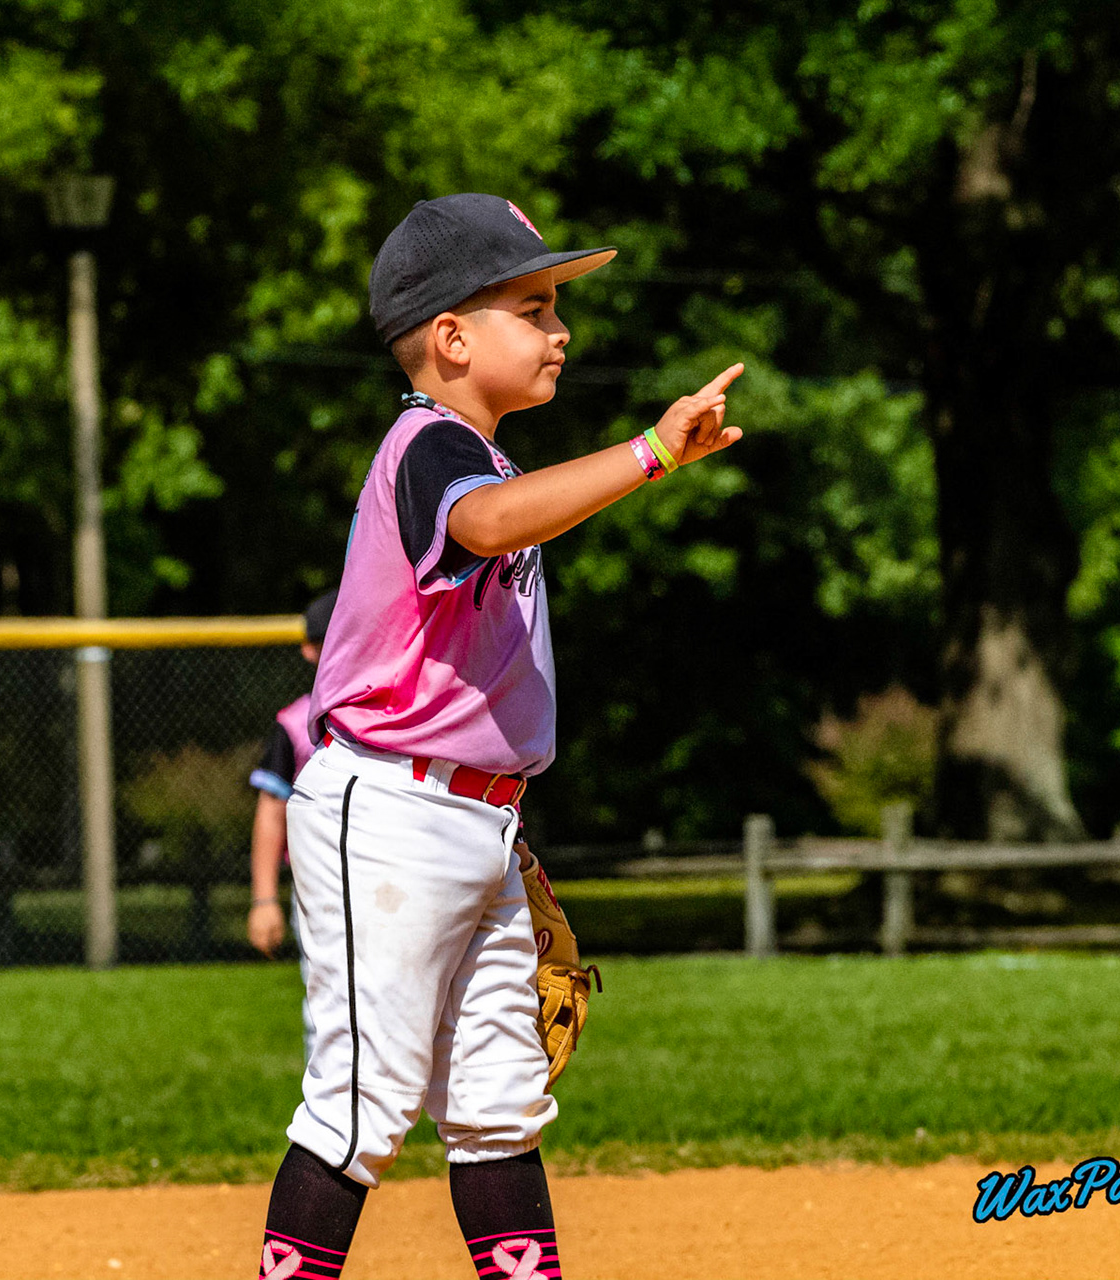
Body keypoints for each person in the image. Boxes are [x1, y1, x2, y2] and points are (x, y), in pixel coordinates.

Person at [256, 192, 743, 1279]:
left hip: (472, 817)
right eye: (533, 304)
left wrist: (497, 830)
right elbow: (480, 527)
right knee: (360, 1106)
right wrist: (652, 453)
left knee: (495, 1104)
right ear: (451, 337)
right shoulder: (429, 447)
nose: (560, 329)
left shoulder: (485, 459)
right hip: (386, 808)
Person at [247, 590, 337, 957]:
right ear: (309, 649)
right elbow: (271, 809)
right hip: (318, 876)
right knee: (329, 1001)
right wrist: (264, 899)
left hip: (389, 868)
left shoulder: (397, 712)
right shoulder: (295, 723)